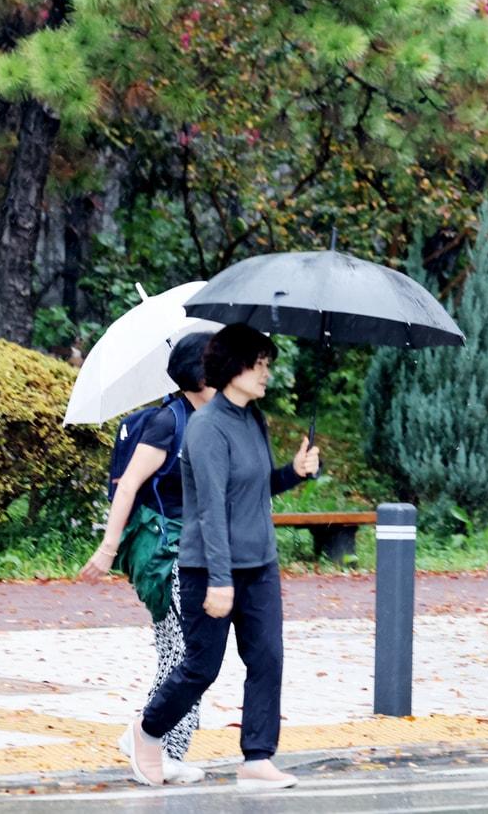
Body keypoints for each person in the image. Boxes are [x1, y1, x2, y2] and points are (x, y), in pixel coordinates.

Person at [128, 324, 320, 788]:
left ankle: (257, 757)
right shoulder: (207, 427)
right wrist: (218, 579)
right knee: (201, 667)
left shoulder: (254, 419)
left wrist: (293, 472)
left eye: (267, 364)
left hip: (259, 564)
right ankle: (146, 731)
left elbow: (255, 488)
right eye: (261, 364)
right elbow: (211, 509)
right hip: (208, 568)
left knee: (267, 658)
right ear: (233, 366)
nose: (267, 374)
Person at [79, 332, 215, 784]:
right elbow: (129, 487)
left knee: (184, 655)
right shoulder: (167, 422)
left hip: (201, 549)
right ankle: (150, 738)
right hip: (166, 550)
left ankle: (163, 747)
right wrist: (107, 547)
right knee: (187, 655)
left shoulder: (214, 419)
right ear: (198, 373)